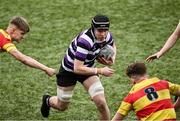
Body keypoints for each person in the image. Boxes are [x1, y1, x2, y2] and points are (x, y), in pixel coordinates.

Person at [40, 14, 116, 120]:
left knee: (101, 102)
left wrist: (112, 59)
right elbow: (77, 68)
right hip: (69, 71)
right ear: (93, 28)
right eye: (100, 30)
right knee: (62, 106)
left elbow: (112, 45)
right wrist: (100, 70)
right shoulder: (85, 40)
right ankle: (47, 100)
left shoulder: (107, 36)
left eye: (105, 30)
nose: (103, 34)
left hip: (88, 69)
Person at [112, 62, 180, 121]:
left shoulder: (131, 96)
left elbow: (116, 119)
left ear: (132, 77)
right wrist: (174, 107)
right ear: (145, 73)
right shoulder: (163, 83)